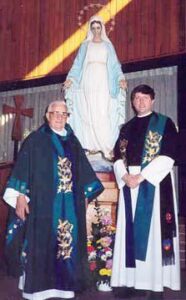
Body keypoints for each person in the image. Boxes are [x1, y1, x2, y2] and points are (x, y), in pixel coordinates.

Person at [3, 100, 104, 300]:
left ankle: (65, 287)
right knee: (41, 243)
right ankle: (37, 290)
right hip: (42, 204)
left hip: (70, 205)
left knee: (67, 245)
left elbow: (84, 172)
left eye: (63, 114)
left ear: (68, 117)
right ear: (47, 116)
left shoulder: (73, 142)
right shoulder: (35, 140)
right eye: (55, 113)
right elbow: (23, 168)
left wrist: (84, 196)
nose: (59, 117)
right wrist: (20, 196)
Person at [111, 85, 180, 299]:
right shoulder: (126, 127)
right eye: (136, 98)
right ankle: (131, 282)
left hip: (154, 183)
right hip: (129, 184)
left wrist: (140, 177)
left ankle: (154, 283)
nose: (140, 102)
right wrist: (125, 177)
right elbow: (116, 157)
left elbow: (169, 155)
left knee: (152, 234)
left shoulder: (164, 123)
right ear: (132, 102)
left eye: (144, 98)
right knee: (130, 233)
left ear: (153, 100)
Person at [64, 15, 127, 160]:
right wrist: (70, 79)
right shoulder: (85, 45)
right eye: (93, 28)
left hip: (104, 80)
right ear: (90, 29)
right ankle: (90, 146)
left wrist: (120, 78)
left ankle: (106, 147)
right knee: (88, 110)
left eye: (99, 28)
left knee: (102, 111)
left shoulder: (108, 46)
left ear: (102, 28)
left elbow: (115, 65)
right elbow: (77, 64)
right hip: (88, 79)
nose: (96, 31)